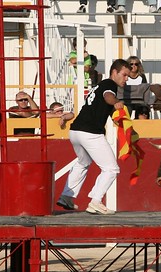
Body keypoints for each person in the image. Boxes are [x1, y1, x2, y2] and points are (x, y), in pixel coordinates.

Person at [56, 59, 131, 215]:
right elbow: (108, 97)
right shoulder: (110, 85)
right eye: (124, 75)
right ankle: (95, 201)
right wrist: (116, 102)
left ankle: (66, 196)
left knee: (83, 162)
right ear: (114, 72)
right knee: (111, 169)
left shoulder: (98, 86)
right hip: (90, 132)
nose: (126, 79)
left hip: (75, 131)